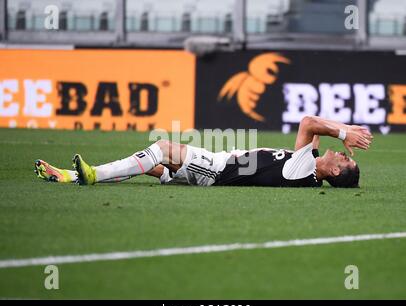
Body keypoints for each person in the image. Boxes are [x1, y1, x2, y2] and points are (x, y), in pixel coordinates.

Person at [34, 116, 373, 188]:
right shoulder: (308, 166)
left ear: (334, 173)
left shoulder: (304, 171)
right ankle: (71, 175)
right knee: (153, 166)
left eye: (343, 160)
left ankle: (91, 176)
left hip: (220, 169)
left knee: (162, 146)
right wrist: (340, 137)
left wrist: (345, 132)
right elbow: (314, 137)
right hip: (222, 168)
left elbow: (309, 122)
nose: (340, 153)